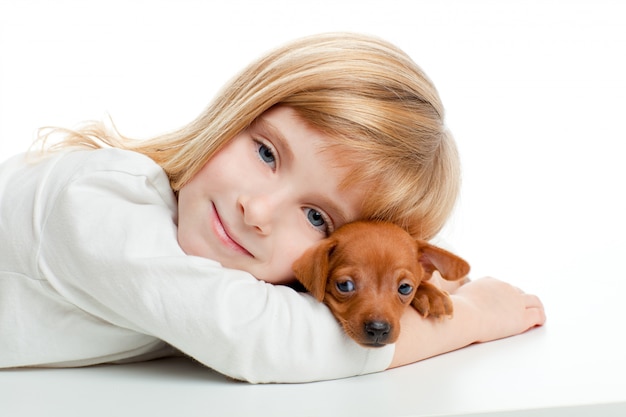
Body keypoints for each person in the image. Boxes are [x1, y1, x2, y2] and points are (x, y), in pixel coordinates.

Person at [0, 33, 545, 383]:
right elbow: (261, 338)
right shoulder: (94, 200)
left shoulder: (215, 269)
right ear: (234, 111)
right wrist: (474, 318)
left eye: (317, 218)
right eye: (266, 152)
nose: (257, 210)